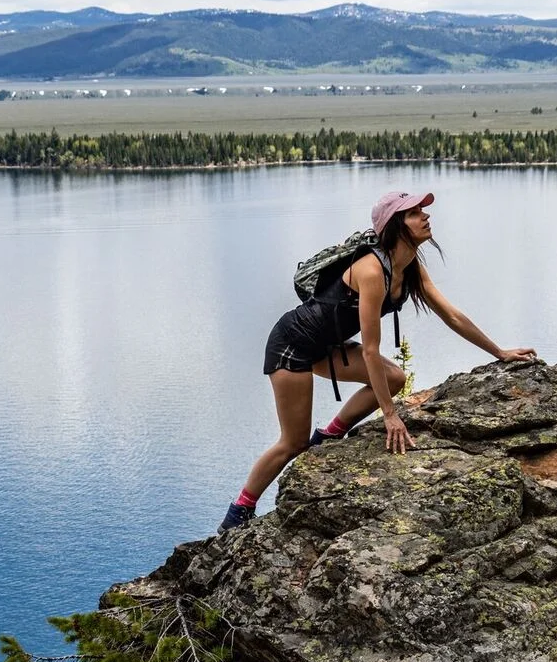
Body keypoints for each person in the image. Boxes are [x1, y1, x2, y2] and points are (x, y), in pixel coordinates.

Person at [217, 188, 537, 532]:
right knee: (292, 442)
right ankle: (238, 511)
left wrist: (499, 352)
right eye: (415, 213)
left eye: (422, 211)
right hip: (292, 345)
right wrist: (390, 415)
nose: (426, 216)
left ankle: (327, 435)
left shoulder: (409, 265)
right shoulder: (370, 271)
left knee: (395, 378)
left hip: (329, 346)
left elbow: (451, 315)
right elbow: (370, 350)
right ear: (396, 225)